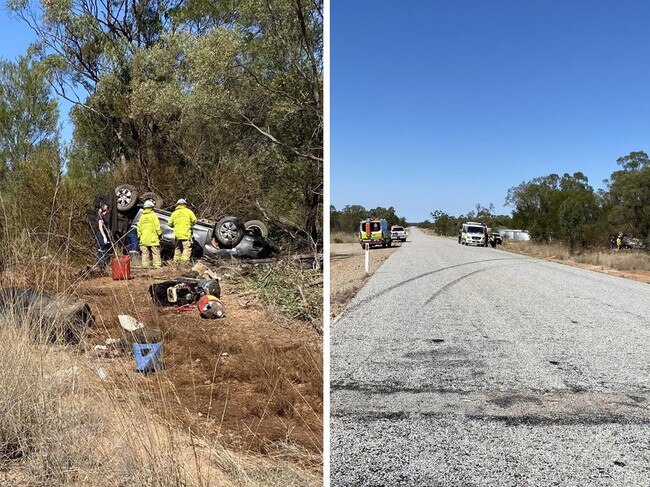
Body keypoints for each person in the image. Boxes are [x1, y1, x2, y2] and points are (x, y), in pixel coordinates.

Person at [168, 198, 197, 263]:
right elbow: (194, 220)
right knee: (186, 248)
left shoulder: (174, 213)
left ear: (177, 205)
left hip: (177, 235)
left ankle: (175, 263)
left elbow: (169, 223)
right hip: (186, 234)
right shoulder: (188, 211)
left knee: (178, 248)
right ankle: (183, 264)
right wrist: (190, 224)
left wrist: (175, 225)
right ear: (185, 204)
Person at [137, 200, 162, 268]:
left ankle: (145, 266)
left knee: (145, 253)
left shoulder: (142, 217)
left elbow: (138, 227)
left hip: (143, 238)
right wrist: (159, 233)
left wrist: (139, 235)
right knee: (155, 252)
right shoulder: (153, 215)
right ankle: (157, 265)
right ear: (151, 207)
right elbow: (157, 226)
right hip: (152, 238)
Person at [95, 203, 111, 269]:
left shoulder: (105, 216)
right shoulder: (100, 217)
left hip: (105, 233)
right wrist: (104, 236)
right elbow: (100, 227)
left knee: (105, 249)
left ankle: (103, 264)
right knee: (101, 249)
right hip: (101, 234)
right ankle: (100, 264)